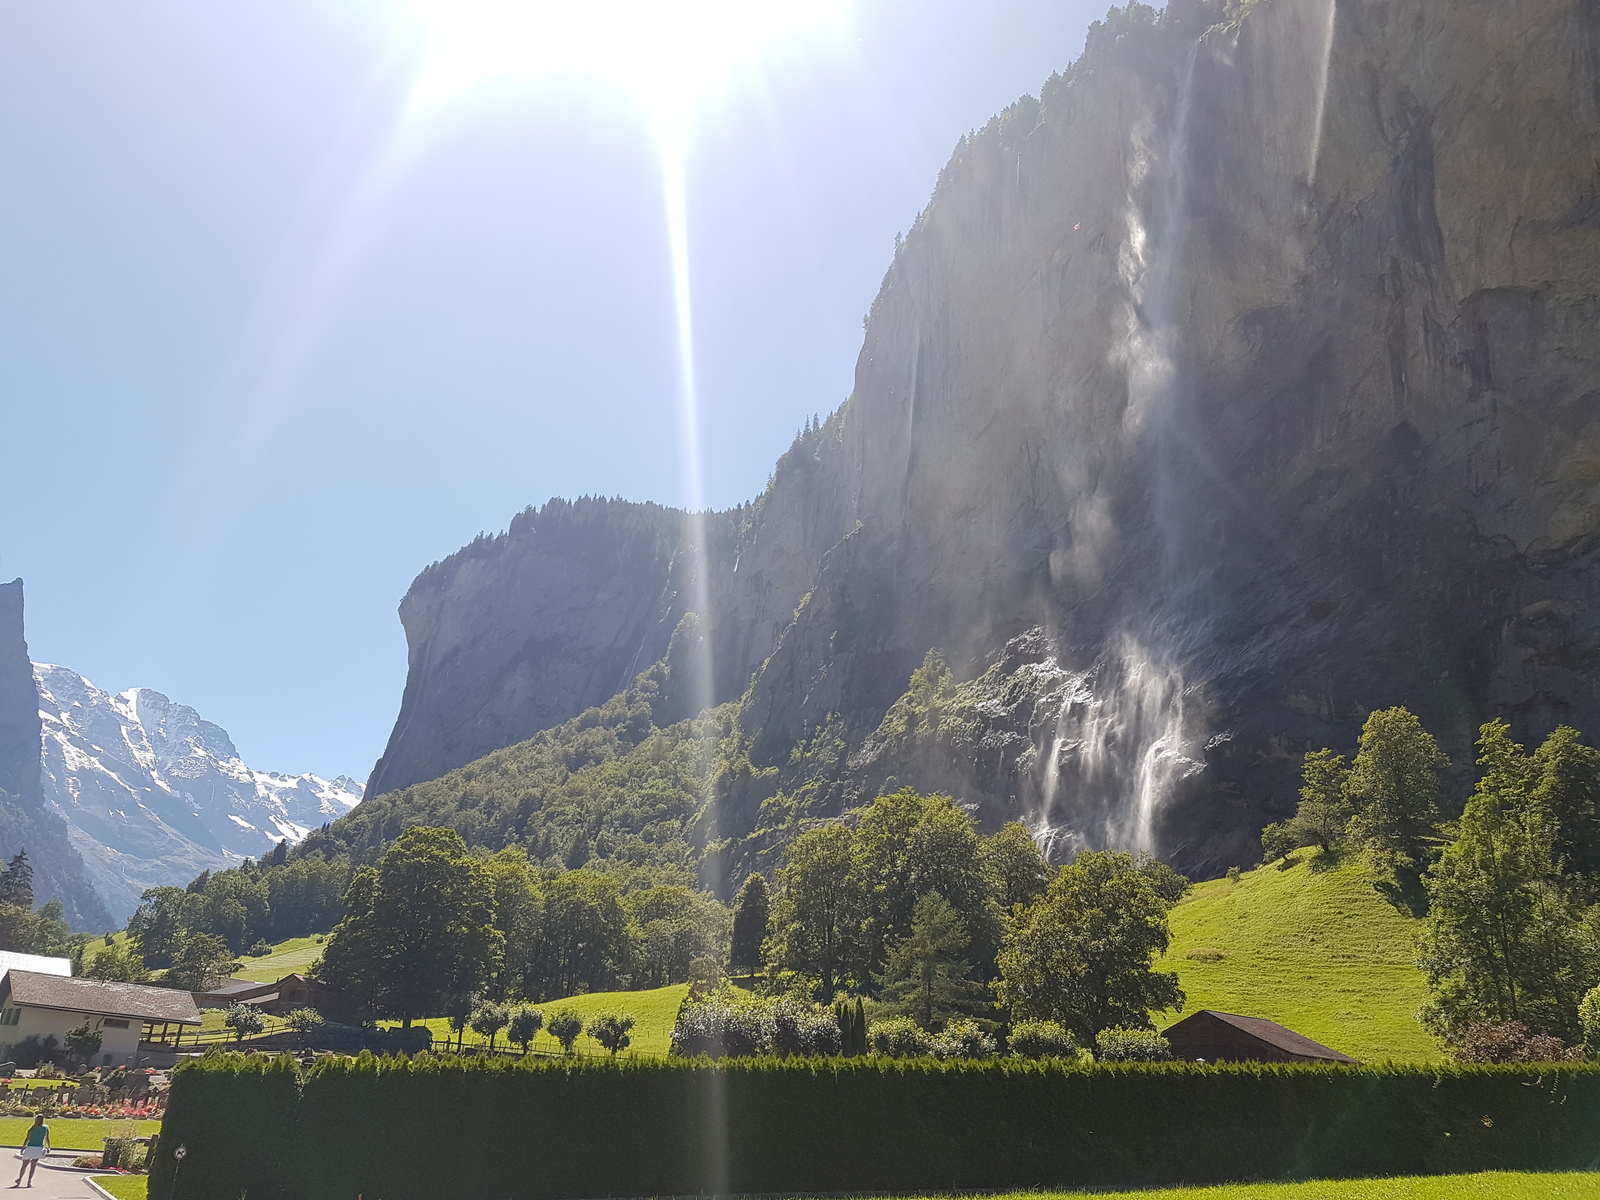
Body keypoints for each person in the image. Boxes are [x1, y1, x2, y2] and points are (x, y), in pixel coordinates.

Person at [12, 1115, 46, 1187]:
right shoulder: (33, 1128)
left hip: (37, 1147)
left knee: (31, 1165)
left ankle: (28, 1181)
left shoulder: (42, 1128)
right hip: (32, 1147)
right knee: (26, 1165)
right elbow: (28, 1138)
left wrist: (48, 1147)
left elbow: (46, 1138)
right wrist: (24, 1146)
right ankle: (22, 1180)